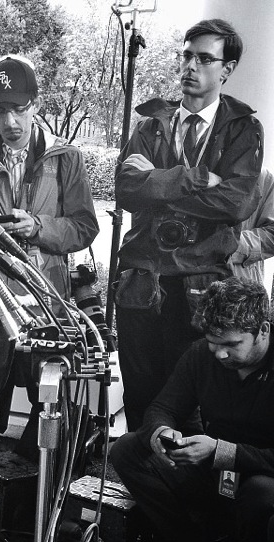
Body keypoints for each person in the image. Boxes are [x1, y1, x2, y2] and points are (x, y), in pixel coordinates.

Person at [114, 19, 264, 432]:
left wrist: (156, 181)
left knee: (194, 406)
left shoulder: (243, 128)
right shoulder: (149, 125)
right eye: (186, 56)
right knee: (141, 398)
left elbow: (236, 203)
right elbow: (126, 190)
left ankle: (183, 494)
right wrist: (195, 178)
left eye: (204, 59)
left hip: (202, 286)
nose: (190, 66)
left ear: (226, 69)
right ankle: (140, 488)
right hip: (142, 282)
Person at [0, 55, 99, 457]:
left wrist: (37, 226)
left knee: (47, 395)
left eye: (19, 109)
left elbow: (85, 227)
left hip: (44, 300)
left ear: (36, 105)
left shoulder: (65, 157)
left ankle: (32, 477)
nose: (10, 122)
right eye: (0, 110)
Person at [110, 277, 274, 542]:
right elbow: (162, 407)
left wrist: (221, 451)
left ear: (263, 331)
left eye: (231, 345)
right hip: (212, 464)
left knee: (262, 494)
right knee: (127, 449)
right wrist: (162, 433)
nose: (220, 355)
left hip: (262, 472)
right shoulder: (201, 354)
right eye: (213, 343)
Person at [228, 168, 274, 290]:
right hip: (185, 277)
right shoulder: (192, 171)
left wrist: (233, 244)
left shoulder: (264, 177)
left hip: (240, 286)